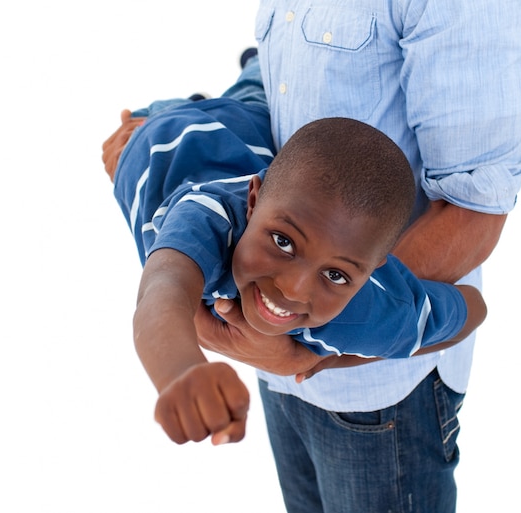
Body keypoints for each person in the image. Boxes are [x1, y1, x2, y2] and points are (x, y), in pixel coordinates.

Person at [193, 2, 521, 512]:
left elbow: (472, 214)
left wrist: (302, 343)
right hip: (276, 359)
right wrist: (164, 130)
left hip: (380, 390)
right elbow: (282, 99)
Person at [102, 57, 487, 448]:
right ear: (251, 202)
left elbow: (473, 308)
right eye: (283, 242)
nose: (293, 288)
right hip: (163, 132)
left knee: (252, 92)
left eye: (336, 275)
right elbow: (161, 292)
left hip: (233, 139)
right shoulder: (208, 221)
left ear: (372, 272)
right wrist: (180, 372)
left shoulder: (365, 314)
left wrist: (331, 357)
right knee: (257, 82)